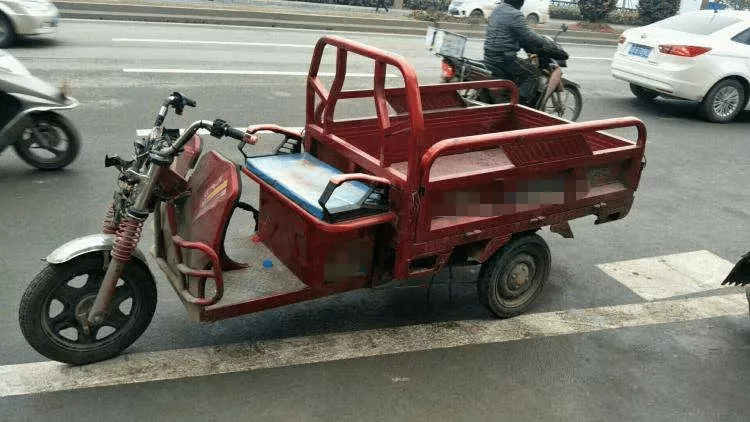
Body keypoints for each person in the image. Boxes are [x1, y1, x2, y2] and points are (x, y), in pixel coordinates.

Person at [483, 0, 548, 104]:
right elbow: (528, 35)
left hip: (489, 56)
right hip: (504, 59)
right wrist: (543, 42)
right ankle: (518, 105)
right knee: (534, 74)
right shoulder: (515, 14)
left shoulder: (497, 9)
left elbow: (506, 32)